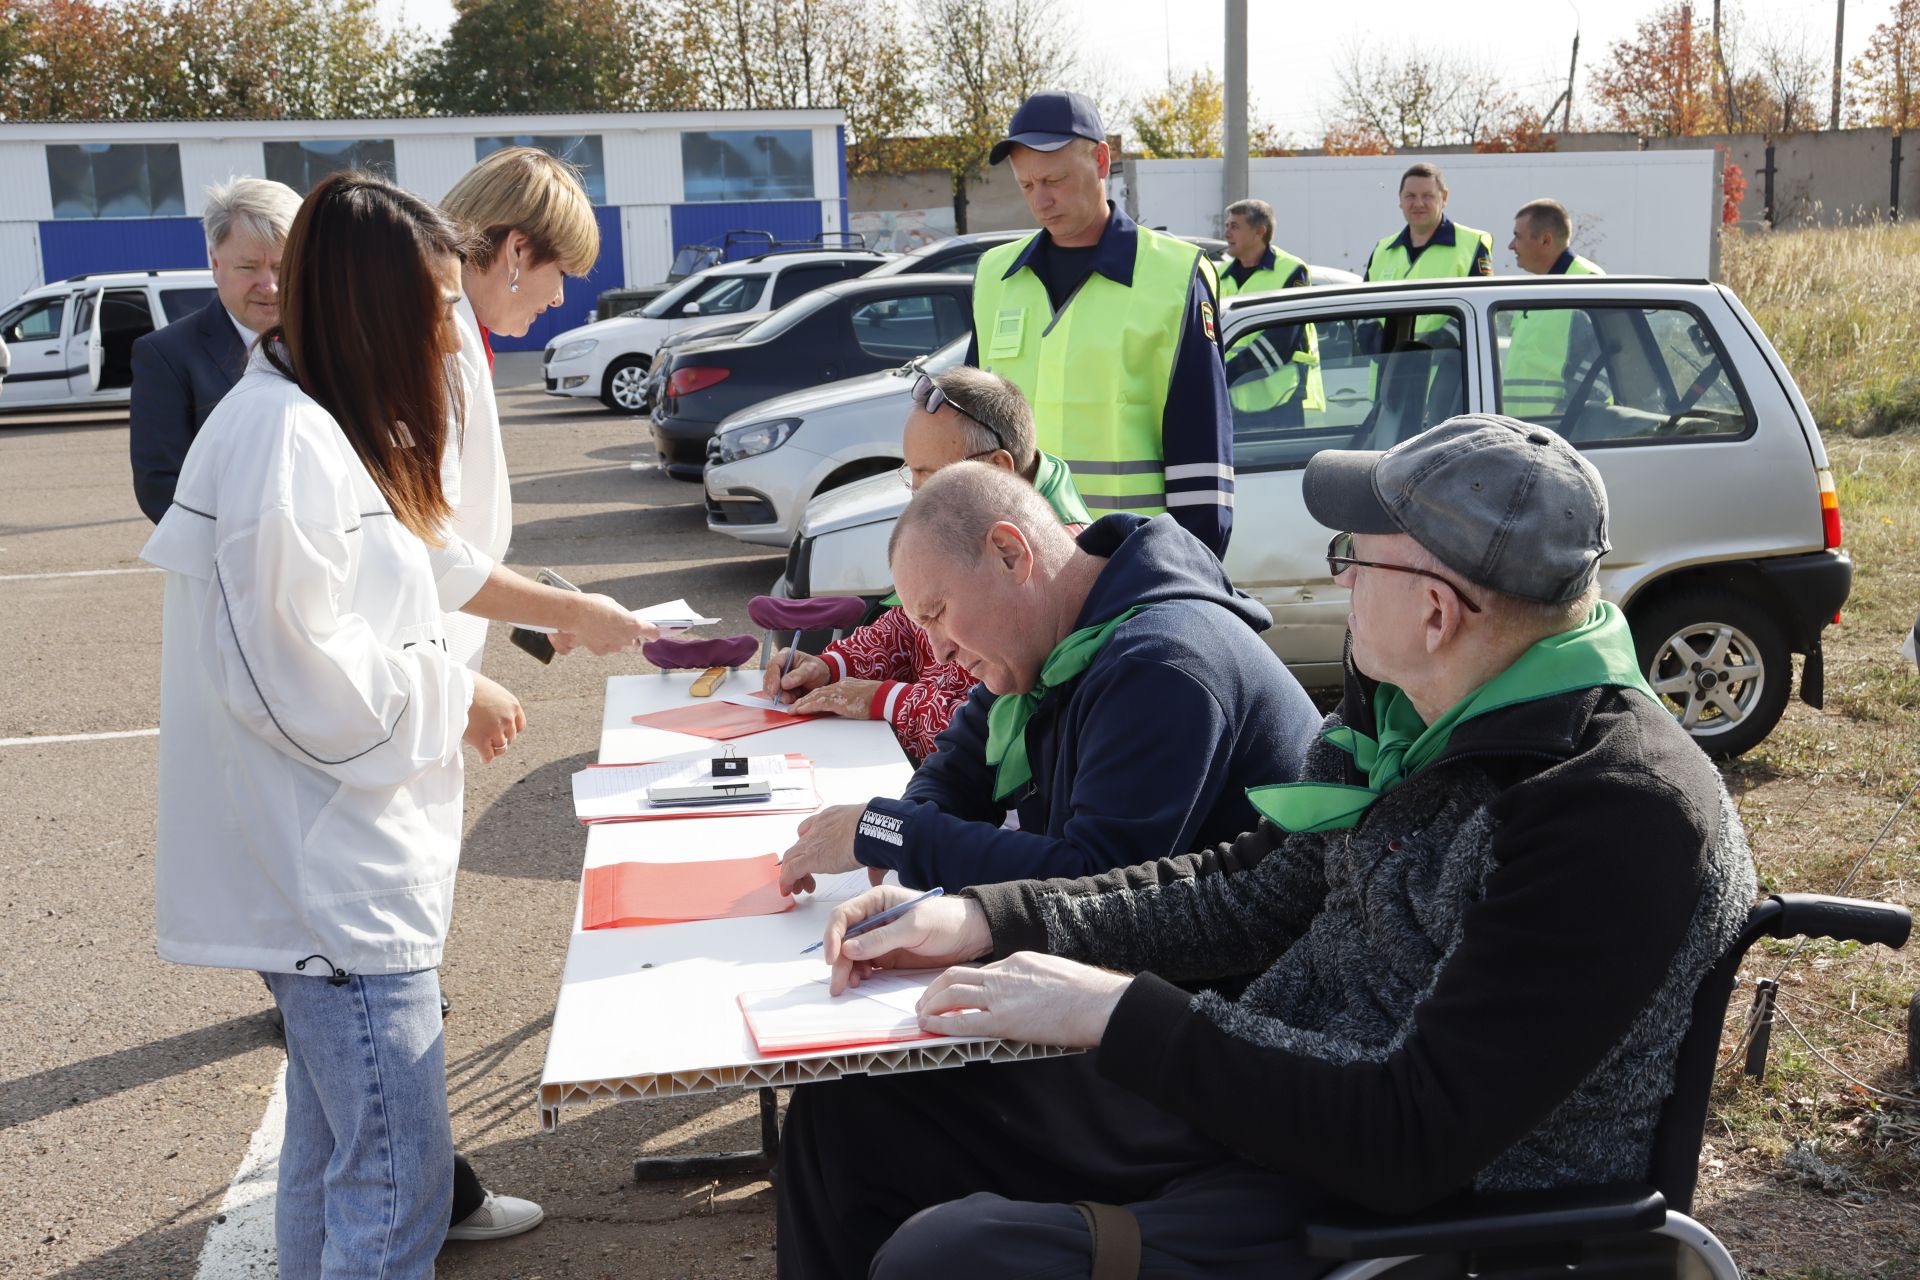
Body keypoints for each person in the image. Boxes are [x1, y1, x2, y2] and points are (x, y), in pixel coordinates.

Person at [773, 414, 1759, 1279]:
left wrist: (1119, 1014)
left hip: (1411, 1212)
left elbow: (1415, 1129)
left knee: (948, 1257)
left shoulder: (1614, 810)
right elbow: (1254, 885)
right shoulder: (1409, 703)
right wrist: (988, 915)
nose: (1338, 578)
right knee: (853, 1113)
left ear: (1435, 608)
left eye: (1355, 559)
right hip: (1270, 1107)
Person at [128, 175, 542, 1244]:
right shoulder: (285, 439)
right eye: (430, 309)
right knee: (394, 1185)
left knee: (328, 1167)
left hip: (341, 871)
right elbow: (298, 672)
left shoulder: (318, 419)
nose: (446, 337)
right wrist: (454, 689)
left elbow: (401, 575)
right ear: (369, 310)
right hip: (336, 885)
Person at [776, 464, 1319, 896]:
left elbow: (1095, 887)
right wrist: (901, 830)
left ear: (1010, 555)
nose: (938, 648)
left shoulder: (1160, 663)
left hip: (1258, 995)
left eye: (938, 611)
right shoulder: (1041, 647)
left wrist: (895, 833)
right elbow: (959, 772)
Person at [764, 368, 1090, 762]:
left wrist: (882, 699)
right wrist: (831, 666)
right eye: (911, 473)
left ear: (998, 468)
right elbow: (907, 623)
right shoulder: (974, 522)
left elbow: (998, 727)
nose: (916, 493)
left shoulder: (1047, 569)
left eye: (930, 475)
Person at [968, 91, 1235, 557]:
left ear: (1102, 160)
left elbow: (1201, 445)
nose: (1042, 200)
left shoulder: (1173, 276)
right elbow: (971, 430)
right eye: (1027, 185)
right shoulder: (995, 275)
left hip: (1130, 563)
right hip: (1016, 564)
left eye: (1054, 179)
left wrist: (1190, 576)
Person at [130, 177, 302, 522]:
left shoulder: (339, 343)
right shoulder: (166, 355)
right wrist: (248, 553)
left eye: (281, 268)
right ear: (214, 262)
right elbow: (160, 486)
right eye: (248, 267)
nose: (268, 286)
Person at [1217, 197, 1322, 424]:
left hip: (1280, 400)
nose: (1226, 233)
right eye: (1226, 226)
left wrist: (1227, 373)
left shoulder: (1292, 271)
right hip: (1232, 402)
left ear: (1259, 231)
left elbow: (1283, 337)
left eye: (1235, 226)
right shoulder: (1219, 274)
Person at [1502, 198, 1606, 421]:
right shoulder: (1538, 286)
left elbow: (1599, 365)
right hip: (1528, 431)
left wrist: (1567, 418)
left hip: (1561, 433)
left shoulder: (1586, 282)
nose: (1511, 245)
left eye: (1517, 237)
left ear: (1545, 240)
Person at [1363, 162, 1494, 283]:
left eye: (1427, 196)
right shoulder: (1382, 251)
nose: (1418, 204)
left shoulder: (1472, 244)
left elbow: (1482, 300)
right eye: (1410, 196)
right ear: (1400, 199)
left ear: (1444, 197)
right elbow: (1365, 305)